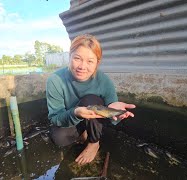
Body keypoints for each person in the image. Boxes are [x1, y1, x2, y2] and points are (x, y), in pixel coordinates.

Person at [46, 34, 136, 165]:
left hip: (96, 121)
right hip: (72, 118)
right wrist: (75, 112)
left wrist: (116, 113)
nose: (82, 66)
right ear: (69, 57)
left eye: (90, 61)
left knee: (91, 101)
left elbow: (112, 115)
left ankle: (94, 143)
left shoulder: (104, 81)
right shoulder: (55, 80)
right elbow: (55, 117)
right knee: (58, 138)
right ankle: (83, 133)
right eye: (77, 58)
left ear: (97, 63)